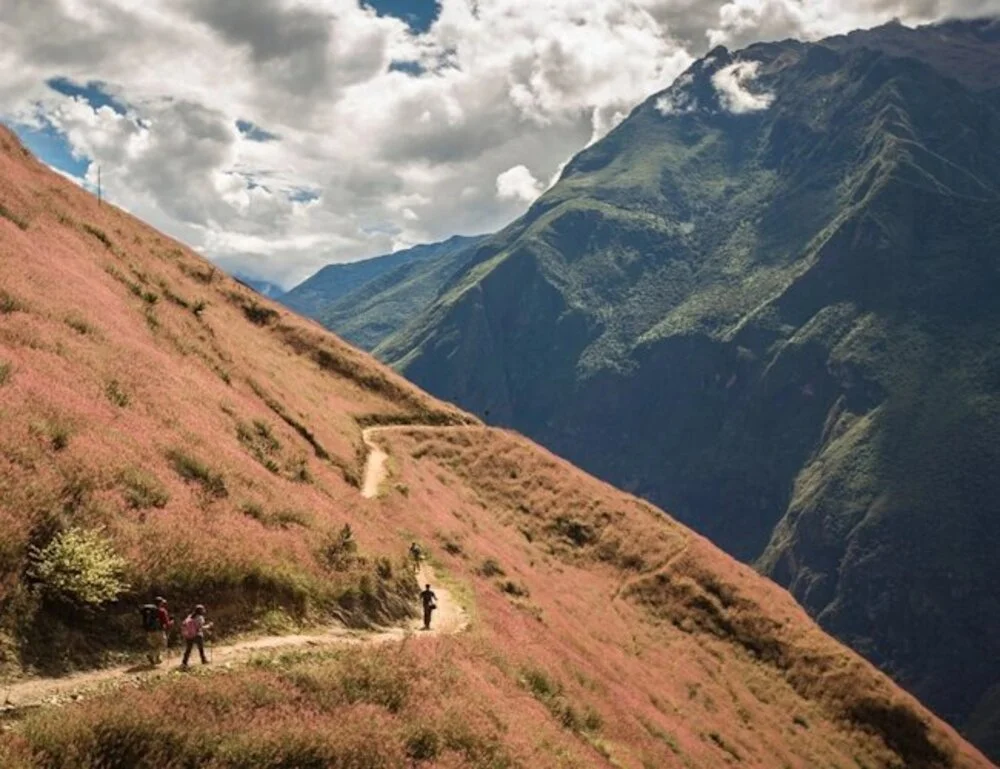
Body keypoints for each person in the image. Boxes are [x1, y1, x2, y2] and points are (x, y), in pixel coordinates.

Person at [140, 596, 172, 666]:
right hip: (159, 630)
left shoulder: (149, 611)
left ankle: (158, 659)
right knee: (163, 645)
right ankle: (151, 655)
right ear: (160, 603)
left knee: (155, 645)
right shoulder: (162, 611)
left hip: (149, 631)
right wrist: (171, 623)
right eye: (162, 602)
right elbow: (166, 623)